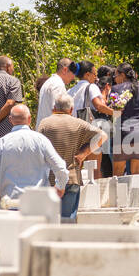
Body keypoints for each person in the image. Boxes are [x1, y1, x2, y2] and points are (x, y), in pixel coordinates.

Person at [38, 92, 107, 221]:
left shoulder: (44, 124)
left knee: (48, 221)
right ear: (71, 109)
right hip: (71, 177)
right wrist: (84, 154)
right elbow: (103, 135)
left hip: (50, 179)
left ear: (54, 108)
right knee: (68, 220)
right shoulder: (79, 124)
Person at [0, 104, 67, 201]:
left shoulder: (2, 142)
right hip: (37, 201)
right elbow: (60, 167)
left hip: (10, 200)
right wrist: (60, 187)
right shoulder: (41, 140)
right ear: (29, 119)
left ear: (10, 120)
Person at [36, 58, 76, 128]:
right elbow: (59, 112)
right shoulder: (58, 85)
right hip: (52, 131)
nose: (73, 77)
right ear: (65, 70)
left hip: (44, 129)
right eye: (73, 73)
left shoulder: (50, 82)